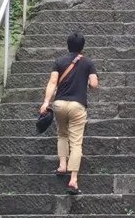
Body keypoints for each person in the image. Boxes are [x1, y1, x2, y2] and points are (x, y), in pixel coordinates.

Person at [39, 32, 98, 195]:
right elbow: (94, 84)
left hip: (59, 104)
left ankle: (62, 165)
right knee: (76, 142)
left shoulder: (59, 61)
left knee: (62, 135)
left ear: (68, 45)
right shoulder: (88, 63)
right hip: (77, 105)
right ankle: (73, 180)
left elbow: (52, 82)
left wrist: (46, 102)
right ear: (82, 47)